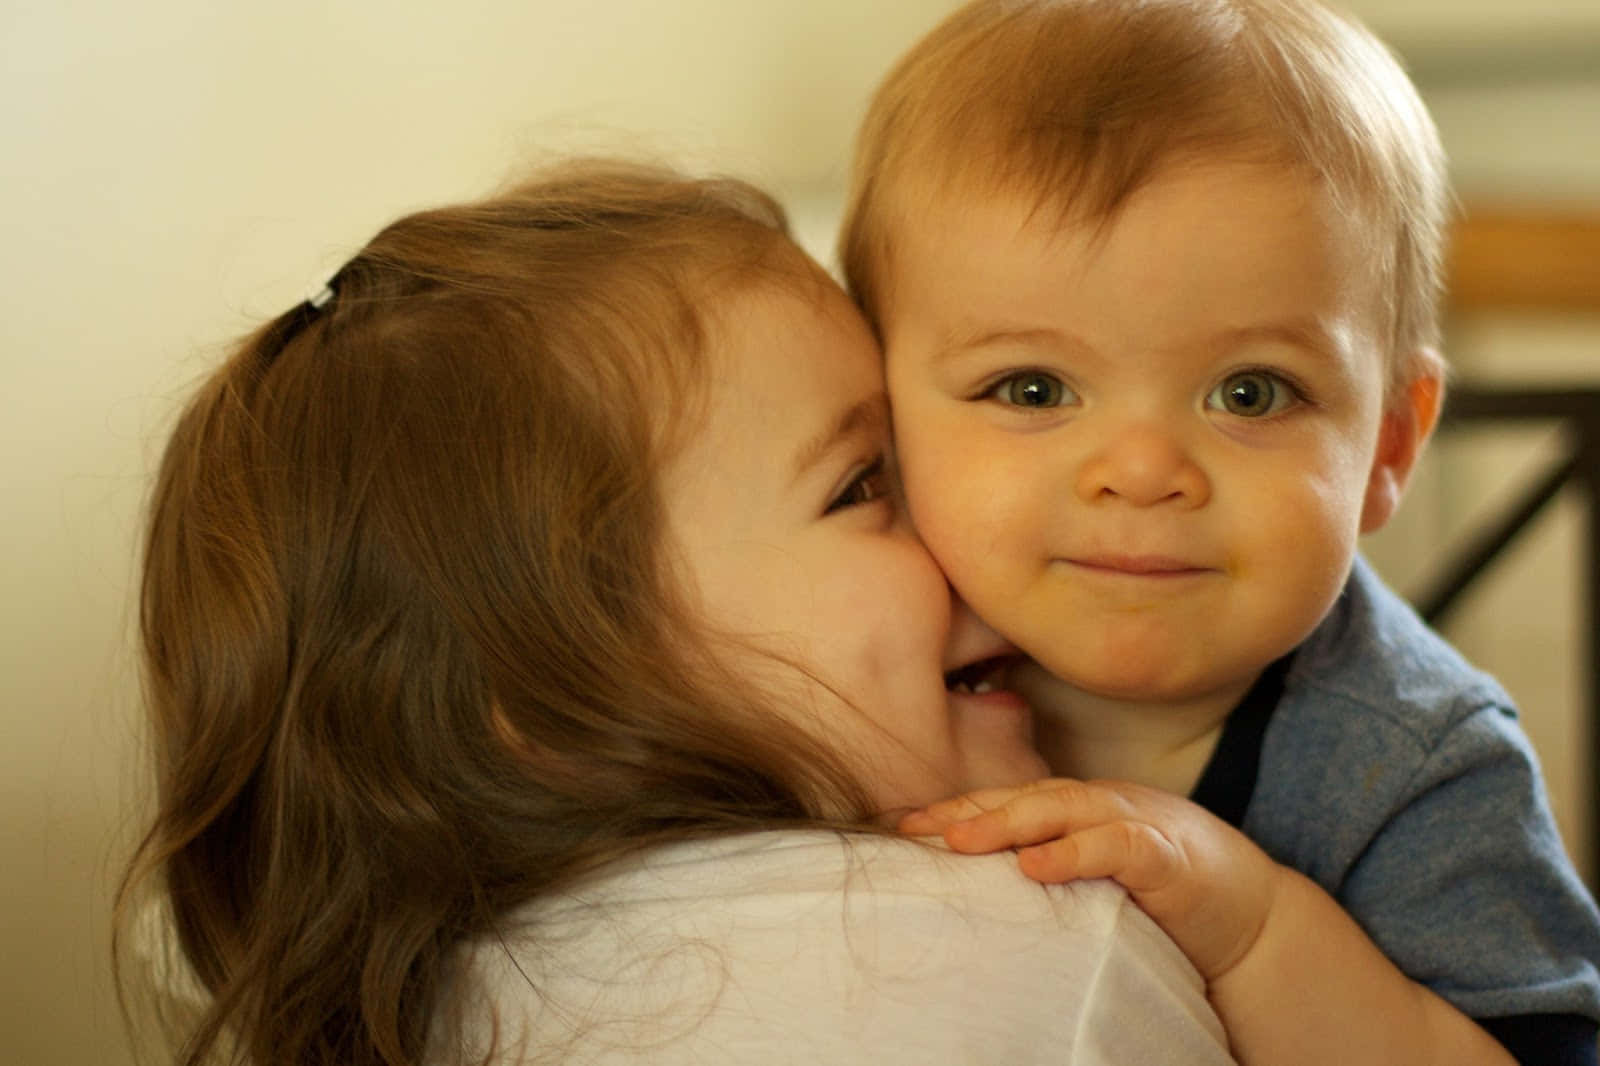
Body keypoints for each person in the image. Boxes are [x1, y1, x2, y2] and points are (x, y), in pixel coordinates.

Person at [113, 159, 1236, 1066]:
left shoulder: (421, 991)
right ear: (557, 696)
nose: (965, 524)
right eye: (862, 483)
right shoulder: (1038, 958)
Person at [838, 0, 1600, 1063]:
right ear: (880, 413)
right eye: (1031, 385)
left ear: (1386, 448)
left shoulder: (1419, 767)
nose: (1143, 471)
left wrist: (1250, 925)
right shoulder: (845, 653)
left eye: (1249, 393)